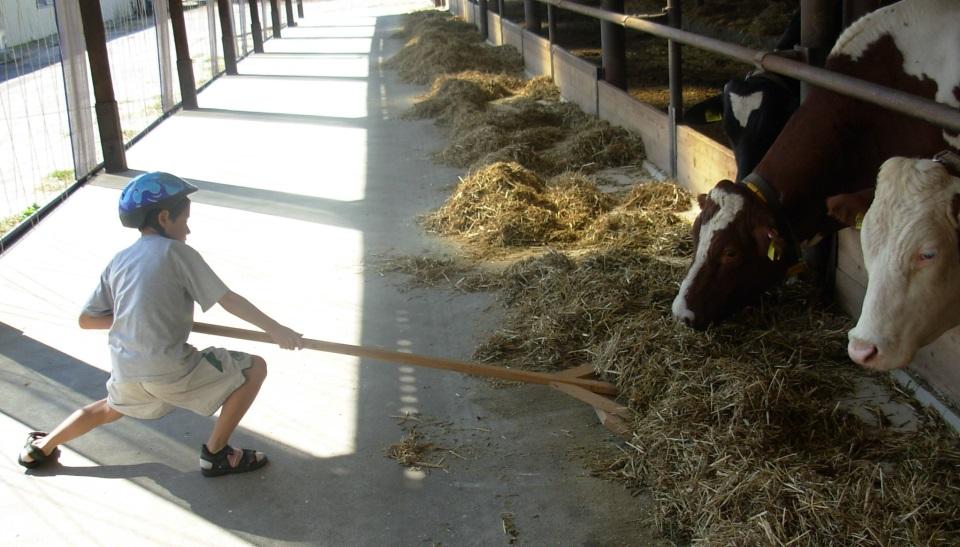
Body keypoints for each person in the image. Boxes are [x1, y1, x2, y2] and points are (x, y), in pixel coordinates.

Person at [18, 171, 303, 477]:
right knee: (253, 368)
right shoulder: (176, 252)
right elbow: (227, 299)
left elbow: (87, 320)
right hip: (171, 369)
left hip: (128, 370)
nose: (188, 229)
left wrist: (138, 314)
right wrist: (275, 329)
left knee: (109, 408)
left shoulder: (120, 260)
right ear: (165, 217)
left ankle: (41, 447)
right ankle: (217, 453)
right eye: (184, 220)